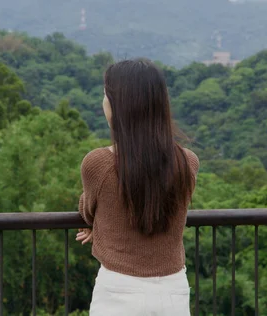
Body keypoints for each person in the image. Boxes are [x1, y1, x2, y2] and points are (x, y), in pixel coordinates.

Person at [75, 58, 199, 315]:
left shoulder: (98, 163)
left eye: (105, 96)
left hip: (118, 290)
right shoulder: (187, 162)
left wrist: (98, 224)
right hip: (173, 290)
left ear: (117, 106)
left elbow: (88, 210)